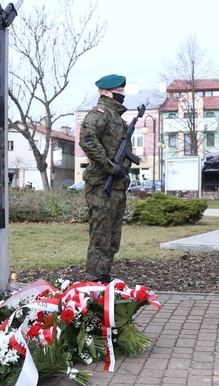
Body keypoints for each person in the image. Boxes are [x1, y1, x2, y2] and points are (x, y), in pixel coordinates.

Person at [78, 74, 131, 284]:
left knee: (112, 240)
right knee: (100, 239)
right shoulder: (100, 113)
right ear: (106, 92)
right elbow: (87, 139)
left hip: (116, 187)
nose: (123, 95)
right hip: (101, 186)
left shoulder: (116, 117)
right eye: (119, 92)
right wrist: (110, 167)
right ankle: (94, 282)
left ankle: (104, 278)